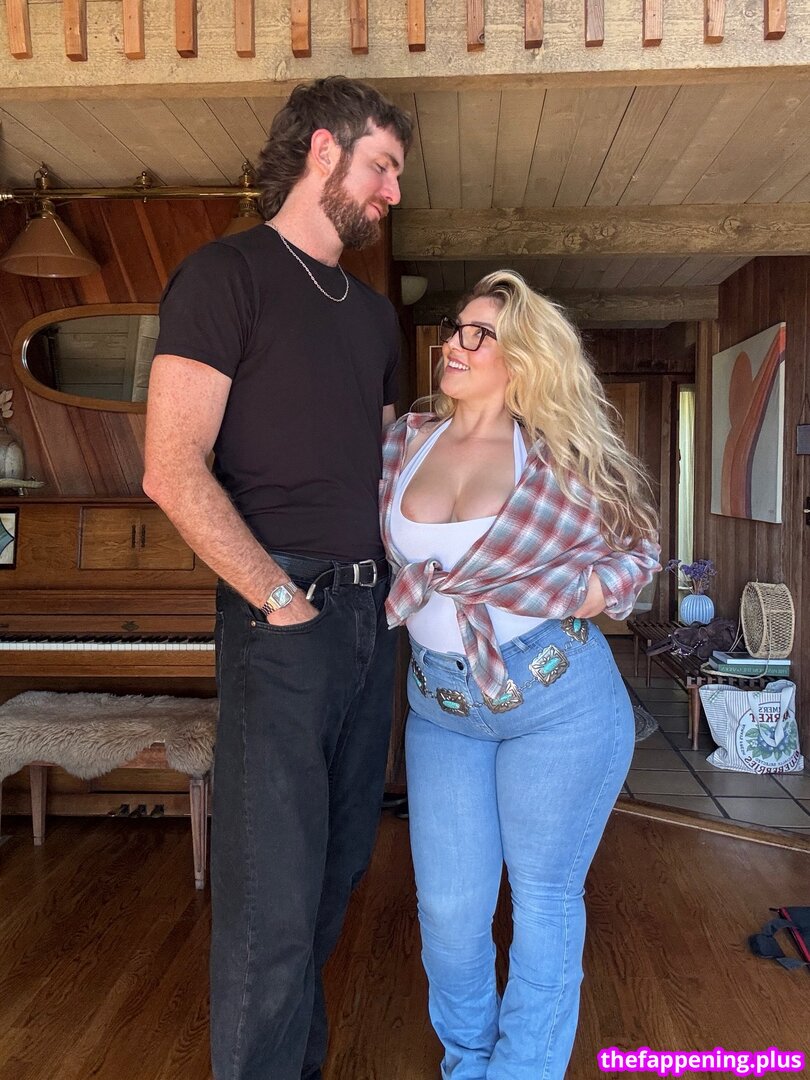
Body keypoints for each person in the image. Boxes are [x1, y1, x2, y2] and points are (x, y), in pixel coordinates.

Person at [143, 77, 412, 1080]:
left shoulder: (374, 319)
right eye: (383, 166)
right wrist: (279, 600)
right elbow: (171, 468)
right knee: (272, 898)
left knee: (337, 870)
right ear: (323, 152)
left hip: (370, 619)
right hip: (284, 618)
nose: (392, 193)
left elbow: (387, 472)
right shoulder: (226, 277)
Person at [379, 270, 660, 1080]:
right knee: (449, 911)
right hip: (442, 707)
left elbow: (638, 551)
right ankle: (468, 1060)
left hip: (557, 703)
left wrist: (584, 592)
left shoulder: (559, 455)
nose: (455, 344)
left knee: (542, 900)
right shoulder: (403, 443)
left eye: (481, 335)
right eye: (455, 328)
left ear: (526, 359)